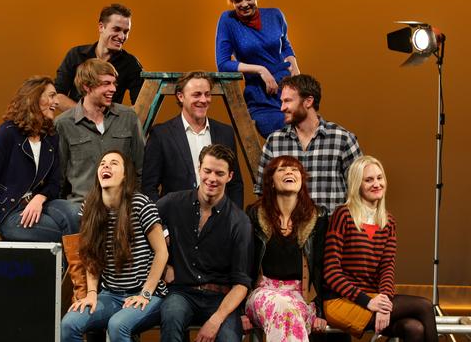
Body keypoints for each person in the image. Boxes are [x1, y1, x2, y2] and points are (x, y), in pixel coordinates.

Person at [0, 76, 78, 248]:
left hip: (42, 205)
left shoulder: (51, 137)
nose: (56, 102)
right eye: (51, 95)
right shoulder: (7, 134)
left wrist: (39, 198)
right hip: (12, 213)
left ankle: (76, 271)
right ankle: (77, 272)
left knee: (74, 213)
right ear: (34, 98)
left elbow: (55, 182)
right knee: (68, 233)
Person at [323, 156, 438, 341]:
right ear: (357, 184)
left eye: (379, 178)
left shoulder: (388, 221)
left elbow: (387, 268)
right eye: (368, 180)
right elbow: (330, 272)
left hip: (375, 300)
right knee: (424, 306)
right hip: (342, 301)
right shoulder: (343, 215)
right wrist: (369, 302)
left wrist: (383, 302)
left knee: (413, 328)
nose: (376, 184)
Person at [60, 150, 168, 342]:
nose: (106, 166)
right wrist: (92, 294)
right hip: (111, 294)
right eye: (103, 163)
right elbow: (91, 255)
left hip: (147, 294)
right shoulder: (90, 208)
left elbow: (162, 252)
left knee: (117, 326)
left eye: (114, 163)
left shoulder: (140, 204)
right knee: (69, 324)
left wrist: (145, 293)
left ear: (125, 175)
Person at [157, 144, 253, 342]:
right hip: (182, 293)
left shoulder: (239, 221)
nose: (212, 178)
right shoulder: (173, 202)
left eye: (220, 173)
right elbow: (141, 225)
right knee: (172, 314)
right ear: (198, 169)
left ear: (230, 176)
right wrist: (163, 265)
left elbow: (241, 284)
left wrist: (215, 320)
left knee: (228, 338)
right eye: (207, 171)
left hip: (221, 298)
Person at [246, 155, 328, 341]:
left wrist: (321, 311)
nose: (289, 172)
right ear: (271, 182)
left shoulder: (318, 217)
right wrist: (239, 310)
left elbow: (321, 267)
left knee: (289, 312)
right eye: (281, 169)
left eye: (294, 169)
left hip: (302, 296)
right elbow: (244, 264)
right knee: (284, 308)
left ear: (301, 180)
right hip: (263, 293)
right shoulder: (254, 214)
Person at [256, 74, 362, 214]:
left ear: (308, 101)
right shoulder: (274, 142)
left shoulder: (343, 139)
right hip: (288, 232)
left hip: (331, 232)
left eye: (287, 101)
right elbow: (262, 191)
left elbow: (360, 189)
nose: (282, 108)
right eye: (282, 101)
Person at [142, 71, 244, 208]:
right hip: (174, 223)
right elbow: (149, 187)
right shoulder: (161, 134)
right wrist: (160, 225)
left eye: (207, 94)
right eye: (197, 94)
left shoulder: (225, 132)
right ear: (180, 97)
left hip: (218, 222)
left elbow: (235, 184)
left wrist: (233, 221)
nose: (203, 100)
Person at [215, 0, 301, 138]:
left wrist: (295, 68)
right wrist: (261, 70)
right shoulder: (228, 21)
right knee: (282, 138)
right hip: (260, 95)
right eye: (237, 0)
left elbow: (285, 45)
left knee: (311, 134)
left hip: (288, 89)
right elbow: (223, 64)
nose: (244, 4)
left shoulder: (275, 15)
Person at [55, 58, 145, 206]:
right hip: (81, 209)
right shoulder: (63, 124)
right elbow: (59, 177)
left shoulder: (128, 117)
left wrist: (136, 205)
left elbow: (140, 168)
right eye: (106, 84)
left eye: (114, 83)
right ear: (87, 87)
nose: (113, 89)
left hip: (122, 207)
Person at [54, 3, 143, 111]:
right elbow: (57, 96)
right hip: (74, 124)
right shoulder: (75, 54)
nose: (122, 36)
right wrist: (87, 116)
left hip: (108, 127)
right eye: (116, 29)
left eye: (126, 31)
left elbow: (142, 106)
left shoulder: (131, 63)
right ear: (101, 27)